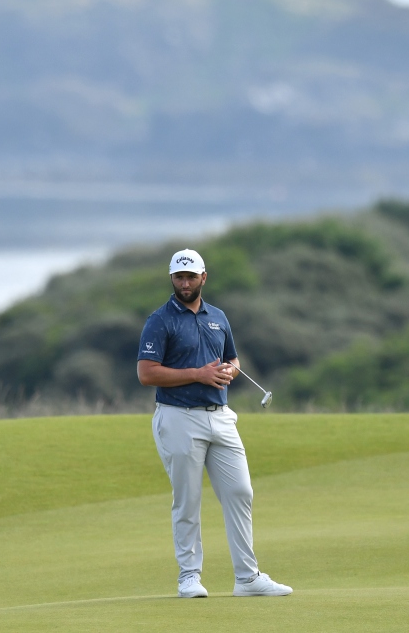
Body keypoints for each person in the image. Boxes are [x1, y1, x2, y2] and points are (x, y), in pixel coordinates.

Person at [136, 248, 293, 599]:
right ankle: (189, 577)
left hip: (221, 417)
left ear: (203, 277)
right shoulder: (160, 320)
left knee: (240, 492)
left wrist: (228, 371)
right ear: (172, 278)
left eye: (191, 277)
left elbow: (233, 359)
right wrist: (198, 374)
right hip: (178, 416)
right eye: (179, 277)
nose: (185, 283)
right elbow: (146, 373)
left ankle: (247, 578)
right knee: (187, 499)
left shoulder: (218, 317)